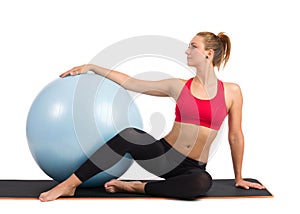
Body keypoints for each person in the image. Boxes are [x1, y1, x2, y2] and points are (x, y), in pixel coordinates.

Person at [39, 31, 265, 202]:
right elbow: (131, 83)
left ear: (209, 53)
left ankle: (137, 187)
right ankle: (69, 185)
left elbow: (236, 136)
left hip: (193, 167)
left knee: (201, 184)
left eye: (193, 47)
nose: (187, 51)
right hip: (163, 156)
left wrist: (238, 177)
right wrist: (94, 67)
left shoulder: (232, 92)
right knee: (129, 135)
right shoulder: (178, 86)